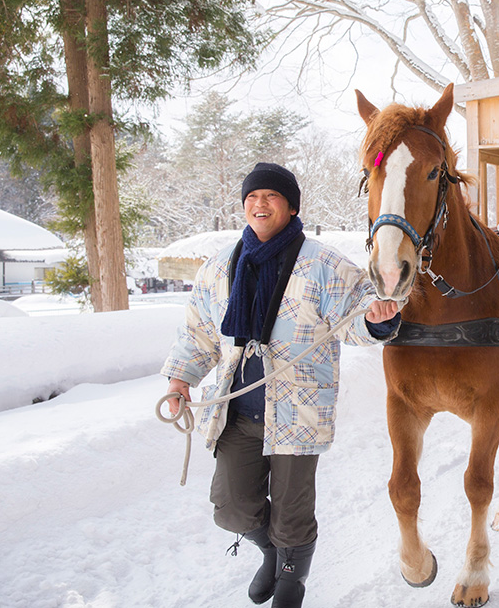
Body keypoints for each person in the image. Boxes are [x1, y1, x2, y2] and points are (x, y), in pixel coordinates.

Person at [161, 162, 401, 608]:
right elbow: (198, 333)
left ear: (291, 207)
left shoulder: (325, 263)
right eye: (252, 197)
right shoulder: (220, 267)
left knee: (291, 511)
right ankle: (271, 552)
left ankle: (293, 573)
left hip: (298, 408)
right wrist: (180, 382)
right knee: (231, 505)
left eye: (270, 196)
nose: (259, 204)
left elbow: (358, 315)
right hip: (237, 410)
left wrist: (376, 320)